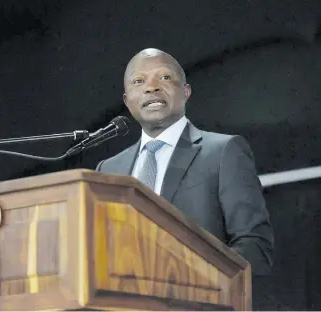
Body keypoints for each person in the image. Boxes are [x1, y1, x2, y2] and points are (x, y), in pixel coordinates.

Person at [95, 48, 274, 275]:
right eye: (138, 81)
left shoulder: (223, 152)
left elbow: (255, 244)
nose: (151, 87)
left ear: (186, 91)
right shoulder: (109, 169)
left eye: (165, 77)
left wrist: (197, 279)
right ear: (127, 100)